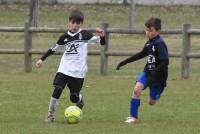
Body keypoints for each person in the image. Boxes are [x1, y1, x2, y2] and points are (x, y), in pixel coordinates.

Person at [36, 10, 105, 123]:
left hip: (78, 72)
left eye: (78, 23)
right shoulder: (64, 37)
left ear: (81, 24)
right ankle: (50, 115)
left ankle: (80, 98)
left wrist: (102, 36)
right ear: (69, 22)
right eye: (73, 23)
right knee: (57, 89)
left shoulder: (85, 34)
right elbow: (53, 49)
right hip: (64, 69)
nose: (75, 25)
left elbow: (102, 43)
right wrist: (41, 59)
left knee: (73, 98)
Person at [116, 17, 169, 123]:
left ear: (158, 31)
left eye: (150, 30)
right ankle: (134, 117)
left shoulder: (159, 43)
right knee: (136, 90)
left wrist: (153, 76)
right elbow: (141, 54)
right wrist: (125, 62)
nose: (147, 32)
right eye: (146, 29)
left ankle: (155, 95)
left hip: (158, 76)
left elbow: (164, 62)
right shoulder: (149, 43)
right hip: (147, 72)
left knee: (151, 102)